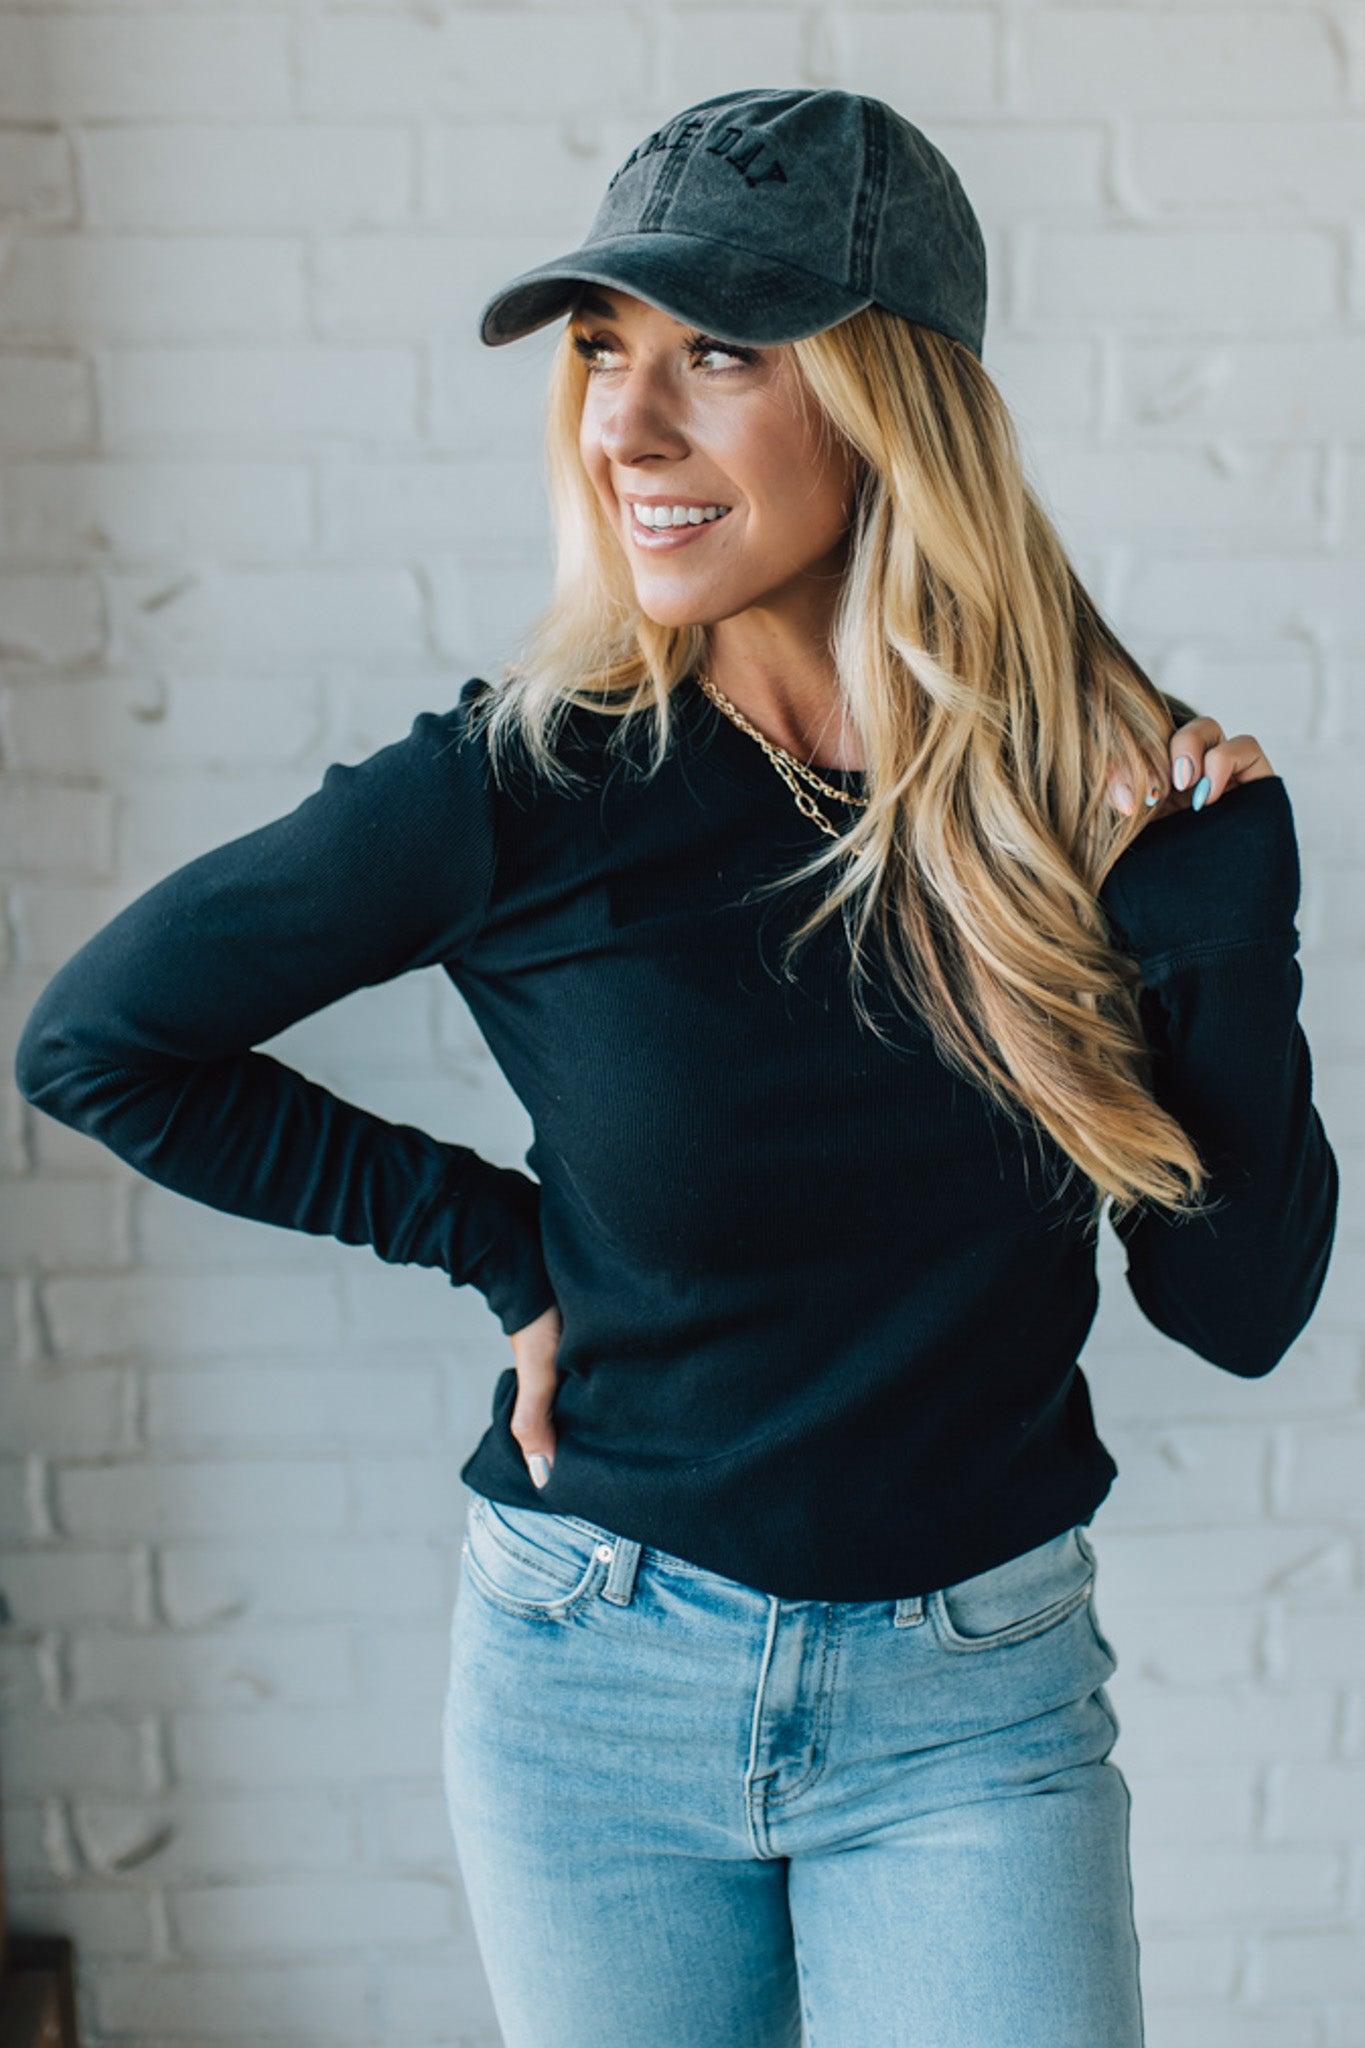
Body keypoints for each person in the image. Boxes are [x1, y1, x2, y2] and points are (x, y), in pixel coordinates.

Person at [13, 87, 1338, 2048]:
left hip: (972, 1699)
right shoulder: (520, 788)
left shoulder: (1110, 820)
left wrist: (1214, 929)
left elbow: (1232, 1311)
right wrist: (499, 1242)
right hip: (591, 1679)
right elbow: (99, 1043)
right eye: (602, 353)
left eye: (716, 352)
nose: (625, 426)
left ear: (891, 400)